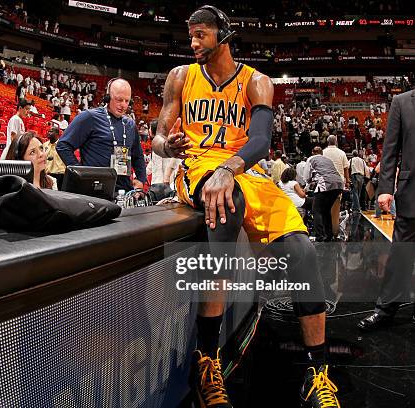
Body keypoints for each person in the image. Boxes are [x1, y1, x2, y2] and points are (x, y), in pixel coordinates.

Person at [151, 6, 340, 408]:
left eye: (200, 35)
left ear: (224, 35)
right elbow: (158, 136)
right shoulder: (180, 77)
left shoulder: (257, 82)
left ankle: (318, 373)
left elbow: (259, 141)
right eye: (191, 36)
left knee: (303, 254)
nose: (193, 43)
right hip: (200, 167)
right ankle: (207, 362)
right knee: (226, 203)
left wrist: (230, 167)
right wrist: (168, 146)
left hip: (245, 171)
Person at [359, 88, 415, 330]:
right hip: (411, 190)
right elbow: (390, 150)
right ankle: (385, 310)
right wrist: (384, 188)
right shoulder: (402, 102)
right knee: (400, 255)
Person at [56, 78, 146, 193]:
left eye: (127, 101)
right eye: (119, 100)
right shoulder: (89, 117)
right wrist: (80, 173)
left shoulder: (130, 124)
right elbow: (63, 145)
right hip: (94, 191)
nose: (123, 105)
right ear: (107, 97)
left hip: (124, 191)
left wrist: (141, 179)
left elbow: (138, 156)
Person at [305, 147, 344, 242]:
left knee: (316, 210)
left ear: (313, 152)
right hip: (339, 184)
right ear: (322, 153)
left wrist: (308, 183)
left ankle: (320, 236)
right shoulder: (328, 160)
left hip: (326, 183)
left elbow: (307, 176)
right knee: (326, 210)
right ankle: (329, 234)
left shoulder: (311, 158)